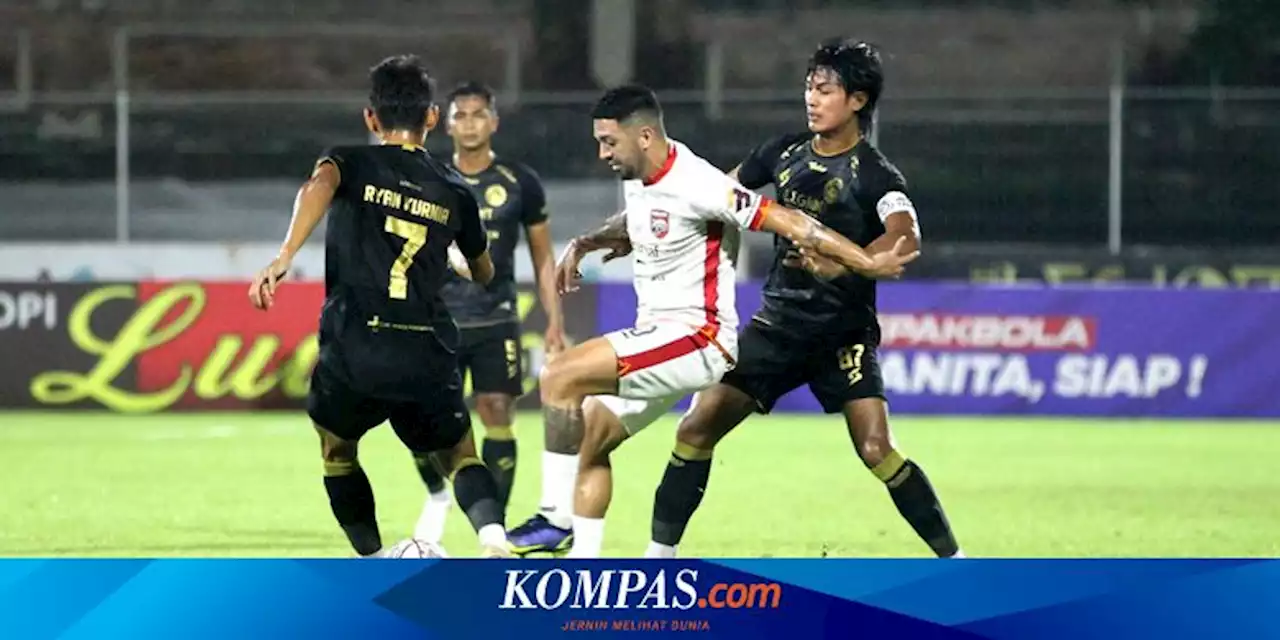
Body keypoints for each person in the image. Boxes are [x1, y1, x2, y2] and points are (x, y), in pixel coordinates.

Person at [541, 84, 918, 558]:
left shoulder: (700, 183)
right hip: (667, 333)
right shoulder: (641, 175)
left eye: (608, 143)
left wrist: (865, 262)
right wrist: (589, 240)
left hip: (697, 338)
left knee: (560, 375)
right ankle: (590, 575)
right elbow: (651, 217)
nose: (602, 154)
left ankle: (553, 518)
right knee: (594, 437)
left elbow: (794, 223)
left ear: (643, 136)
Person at [645, 39, 964, 559]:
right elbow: (716, 196)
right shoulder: (782, 153)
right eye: (809, 88)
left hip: (843, 336)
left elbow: (904, 236)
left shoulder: (877, 174)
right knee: (696, 428)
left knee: (877, 450)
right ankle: (657, 562)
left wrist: (844, 263)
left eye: (825, 89)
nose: (812, 99)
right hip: (777, 327)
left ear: (857, 101)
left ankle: (958, 565)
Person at [247, 55, 509, 558]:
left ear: (371, 118)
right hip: (425, 347)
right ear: (432, 117)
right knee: (460, 455)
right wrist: (456, 258)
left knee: (337, 450)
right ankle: (494, 541)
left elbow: (318, 186)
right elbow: (484, 273)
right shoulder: (455, 190)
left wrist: (284, 257)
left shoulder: (349, 161)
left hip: (356, 346)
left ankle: (370, 560)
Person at [408, 82, 570, 552]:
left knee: (498, 413)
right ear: (446, 123)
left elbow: (543, 257)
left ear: (494, 122)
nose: (471, 123)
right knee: (424, 425)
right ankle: (439, 492)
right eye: (461, 115)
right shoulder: (430, 178)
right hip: (437, 320)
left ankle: (493, 529)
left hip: (496, 318)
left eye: (479, 114)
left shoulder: (520, 182)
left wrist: (553, 319)